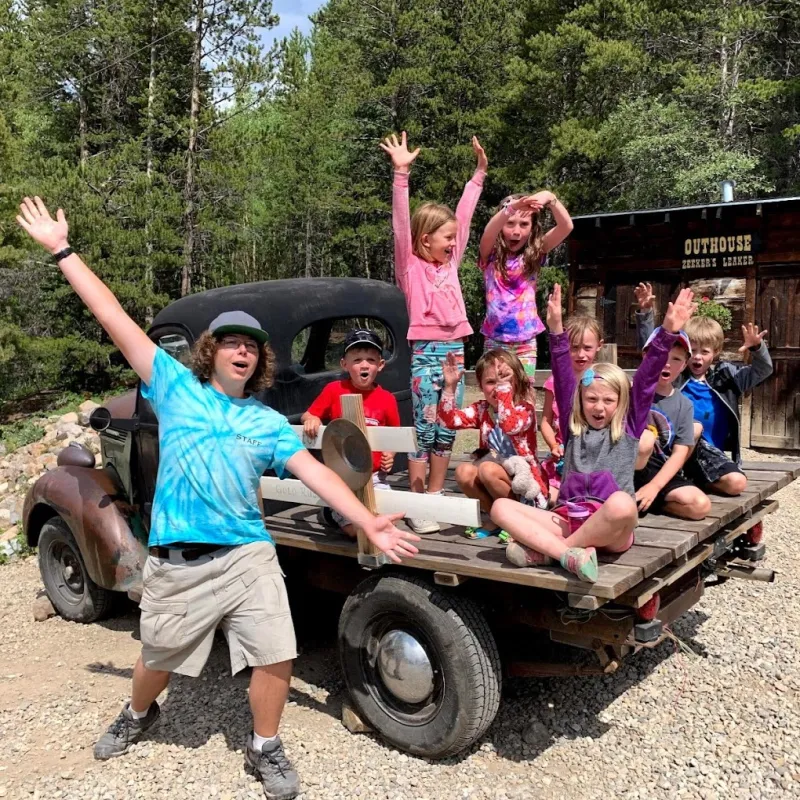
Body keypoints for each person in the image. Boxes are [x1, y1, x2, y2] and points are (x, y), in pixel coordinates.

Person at [15, 196, 420, 800]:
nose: (243, 350)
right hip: (180, 558)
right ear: (213, 351)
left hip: (247, 553)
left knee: (276, 652)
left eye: (252, 347)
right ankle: (139, 713)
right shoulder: (174, 386)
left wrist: (370, 520)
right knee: (157, 660)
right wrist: (61, 251)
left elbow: (317, 474)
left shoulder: (263, 422)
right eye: (232, 342)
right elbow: (113, 317)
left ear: (259, 362)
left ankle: (265, 745)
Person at [491, 284, 697, 583]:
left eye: (608, 401)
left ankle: (555, 552)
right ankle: (569, 555)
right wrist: (556, 329)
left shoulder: (628, 427)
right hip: (568, 518)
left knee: (622, 505)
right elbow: (562, 378)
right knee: (500, 507)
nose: (599, 407)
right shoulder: (573, 427)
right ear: (580, 401)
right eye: (591, 399)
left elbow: (646, 378)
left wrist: (667, 331)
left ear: (622, 403)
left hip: (611, 529)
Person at [380, 131, 487, 534]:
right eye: (447, 238)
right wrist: (401, 174)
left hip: (455, 351)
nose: (453, 243)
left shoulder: (451, 264)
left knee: (448, 425)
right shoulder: (411, 266)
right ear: (426, 240)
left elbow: (465, 214)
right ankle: (417, 500)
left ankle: (436, 498)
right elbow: (400, 225)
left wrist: (478, 175)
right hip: (425, 350)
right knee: (424, 428)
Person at [636, 286, 772, 496]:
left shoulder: (727, 377)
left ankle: (698, 482)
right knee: (694, 427)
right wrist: (645, 315)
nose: (697, 357)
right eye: (694, 351)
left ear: (716, 352)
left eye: (705, 352)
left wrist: (757, 348)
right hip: (673, 448)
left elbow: (764, 370)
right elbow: (651, 353)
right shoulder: (677, 375)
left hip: (709, 453)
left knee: (737, 483)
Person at [437, 348, 548, 538]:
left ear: (517, 381)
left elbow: (509, 424)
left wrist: (505, 390)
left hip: (524, 483)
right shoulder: (482, 409)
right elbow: (449, 420)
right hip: (494, 475)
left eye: (505, 378)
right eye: (490, 382)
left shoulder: (525, 409)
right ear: (480, 385)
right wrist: (449, 388)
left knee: (487, 468)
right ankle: (497, 519)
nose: (498, 387)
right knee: (463, 472)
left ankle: (517, 520)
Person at [301, 328, 399, 538]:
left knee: (386, 521)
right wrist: (312, 419)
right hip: (341, 477)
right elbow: (309, 415)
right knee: (359, 531)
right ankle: (331, 512)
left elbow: (395, 436)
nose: (364, 365)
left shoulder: (387, 399)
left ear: (380, 365)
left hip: (375, 476)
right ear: (344, 364)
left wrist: (390, 455)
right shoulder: (333, 390)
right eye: (357, 360)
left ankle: (337, 513)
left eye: (371, 360)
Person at [632, 284, 711, 519]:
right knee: (644, 441)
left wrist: (655, 487)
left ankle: (650, 501)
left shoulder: (684, 404)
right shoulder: (634, 389)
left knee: (700, 505)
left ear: (685, 364)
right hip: (626, 462)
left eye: (676, 359)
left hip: (657, 468)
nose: (667, 364)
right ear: (648, 357)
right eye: (662, 357)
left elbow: (679, 452)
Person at [477, 191, 573, 378]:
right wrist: (511, 208)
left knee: (523, 396)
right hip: (495, 340)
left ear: (532, 227)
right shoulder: (489, 255)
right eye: (509, 223)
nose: (516, 231)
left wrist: (550, 198)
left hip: (526, 343)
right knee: (495, 394)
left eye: (524, 224)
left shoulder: (535, 253)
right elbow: (489, 231)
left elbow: (566, 226)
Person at [539, 315, 604, 504]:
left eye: (587, 348)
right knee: (544, 494)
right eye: (574, 347)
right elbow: (545, 422)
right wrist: (553, 446)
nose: (580, 354)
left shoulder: (602, 381)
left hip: (592, 456)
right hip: (560, 457)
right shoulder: (554, 381)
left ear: (599, 346)